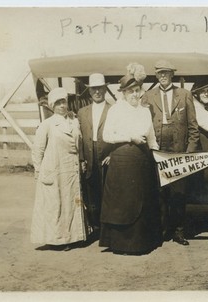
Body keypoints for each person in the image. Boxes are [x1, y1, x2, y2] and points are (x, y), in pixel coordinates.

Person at [99, 63, 162, 255]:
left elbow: (151, 137)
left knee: (141, 201)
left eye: (137, 90)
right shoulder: (116, 110)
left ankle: (140, 243)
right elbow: (107, 136)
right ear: (124, 93)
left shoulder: (144, 111)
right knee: (123, 203)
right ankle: (121, 244)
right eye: (130, 91)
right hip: (122, 162)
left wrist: (157, 153)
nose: (135, 95)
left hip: (142, 161)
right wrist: (129, 137)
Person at [141, 60, 201, 246]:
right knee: (159, 192)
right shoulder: (148, 96)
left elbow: (193, 127)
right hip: (157, 150)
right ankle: (161, 230)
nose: (163, 76)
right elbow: (142, 124)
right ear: (157, 75)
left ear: (172, 74)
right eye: (160, 73)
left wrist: (188, 152)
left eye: (166, 73)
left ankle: (179, 231)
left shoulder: (184, 95)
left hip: (178, 151)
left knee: (178, 193)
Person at [31, 88, 89, 250]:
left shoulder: (74, 121)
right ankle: (59, 239)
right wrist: (39, 170)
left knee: (73, 202)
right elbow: (38, 149)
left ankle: (75, 236)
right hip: (55, 170)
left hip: (72, 169)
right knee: (57, 205)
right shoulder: (47, 125)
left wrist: (82, 159)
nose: (62, 105)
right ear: (52, 106)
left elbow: (80, 144)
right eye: (58, 103)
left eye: (64, 102)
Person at [77, 73, 113, 234]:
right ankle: (95, 226)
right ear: (89, 91)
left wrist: (113, 154)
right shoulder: (82, 112)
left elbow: (119, 133)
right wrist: (82, 158)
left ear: (105, 89)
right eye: (93, 89)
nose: (97, 92)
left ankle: (108, 228)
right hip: (89, 156)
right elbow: (79, 137)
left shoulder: (113, 109)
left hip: (106, 156)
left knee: (107, 190)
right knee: (91, 191)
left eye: (100, 88)